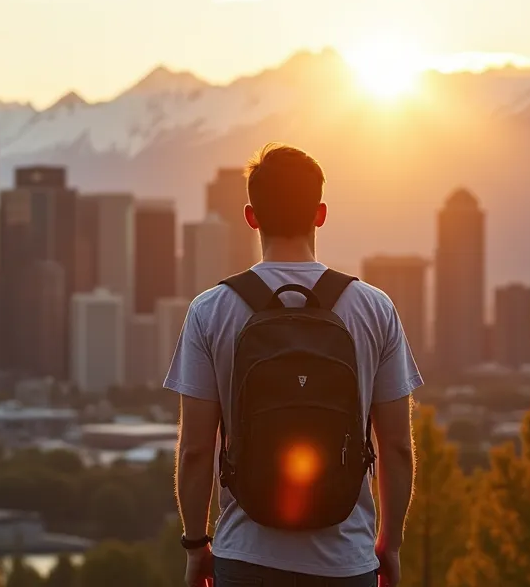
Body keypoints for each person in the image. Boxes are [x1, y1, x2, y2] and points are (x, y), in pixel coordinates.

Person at [165, 143, 422, 587]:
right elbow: (397, 446)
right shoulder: (373, 308)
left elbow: (194, 451)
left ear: (251, 216)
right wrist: (390, 545)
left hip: (246, 559)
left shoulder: (211, 311)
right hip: (346, 561)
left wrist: (195, 546)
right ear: (320, 214)